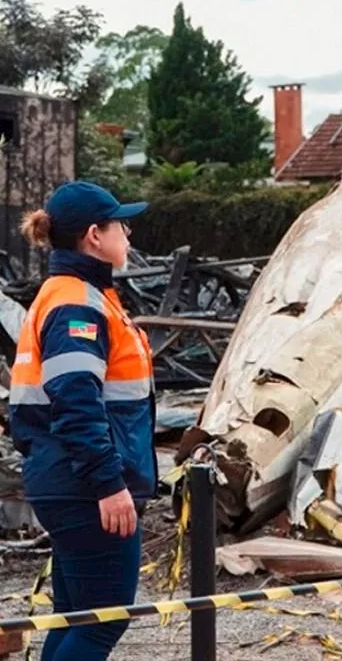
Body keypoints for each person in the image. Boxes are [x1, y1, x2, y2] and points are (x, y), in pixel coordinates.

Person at [7, 182, 154, 661]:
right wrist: (109, 484)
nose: (128, 234)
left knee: (75, 615)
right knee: (102, 622)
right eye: (120, 225)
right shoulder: (76, 304)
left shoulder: (75, 294)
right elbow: (75, 403)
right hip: (84, 486)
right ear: (95, 235)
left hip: (66, 480)